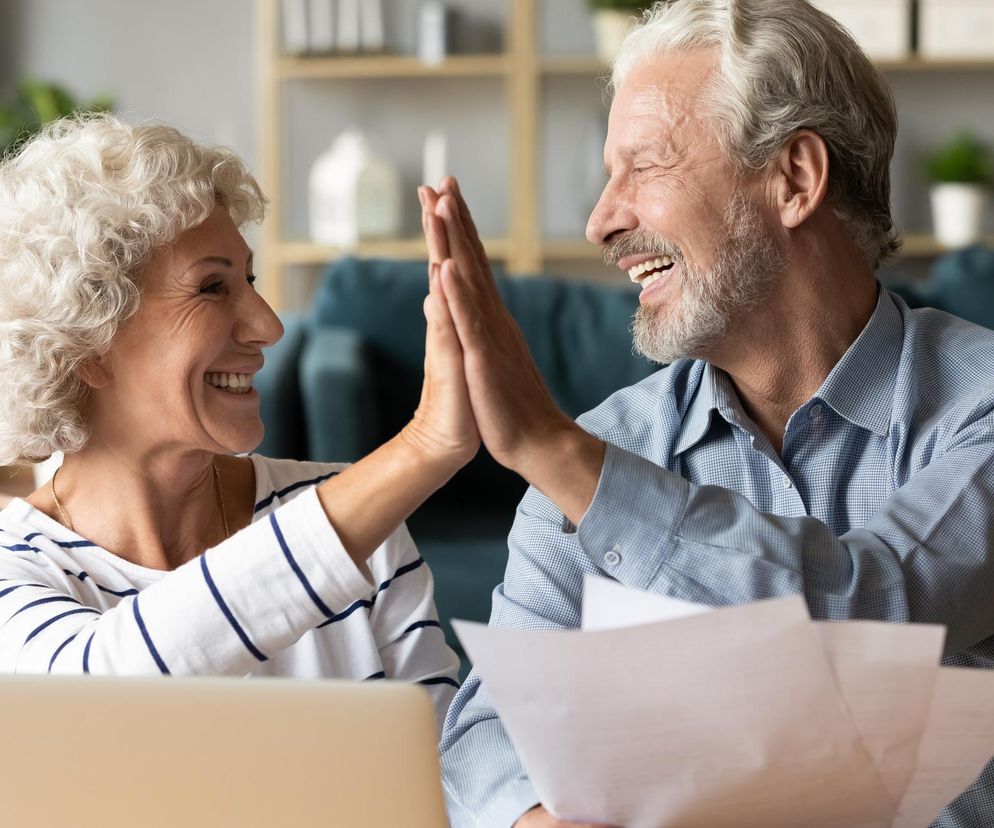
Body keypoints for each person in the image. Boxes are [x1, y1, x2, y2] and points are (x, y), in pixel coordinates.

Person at [422, 0, 994, 825]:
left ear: (795, 178)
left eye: (644, 167)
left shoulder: (979, 410)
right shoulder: (610, 447)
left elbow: (877, 611)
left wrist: (555, 451)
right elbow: (484, 730)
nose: (600, 221)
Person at [0, 114, 476, 734]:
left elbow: (448, 772)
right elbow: (94, 697)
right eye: (212, 287)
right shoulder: (17, 570)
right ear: (87, 343)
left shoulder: (361, 524)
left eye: (248, 279)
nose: (268, 326)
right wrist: (424, 447)